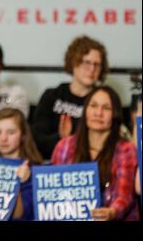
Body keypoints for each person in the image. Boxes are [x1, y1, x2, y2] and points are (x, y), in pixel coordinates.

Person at [52, 86, 140, 221]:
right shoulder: (64, 146)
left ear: (115, 114)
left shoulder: (126, 149)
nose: (98, 113)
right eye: (93, 106)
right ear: (85, 110)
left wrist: (111, 212)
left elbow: (124, 195)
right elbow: (52, 190)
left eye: (106, 108)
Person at [33, 35, 109, 160]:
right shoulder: (52, 96)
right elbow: (36, 140)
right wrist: (61, 138)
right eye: (87, 62)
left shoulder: (104, 100)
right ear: (74, 62)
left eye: (97, 65)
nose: (92, 69)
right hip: (51, 166)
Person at [0, 108, 43, 221]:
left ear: (23, 135)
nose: (3, 138)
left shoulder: (36, 172)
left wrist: (18, 184)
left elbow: (20, 216)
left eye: (11, 132)